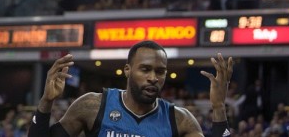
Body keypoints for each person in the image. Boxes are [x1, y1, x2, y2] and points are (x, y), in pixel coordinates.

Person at [28, 40, 234, 137]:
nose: (153, 78)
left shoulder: (179, 120)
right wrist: (46, 102)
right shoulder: (92, 105)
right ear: (127, 70)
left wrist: (218, 107)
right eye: (145, 69)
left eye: (160, 72)